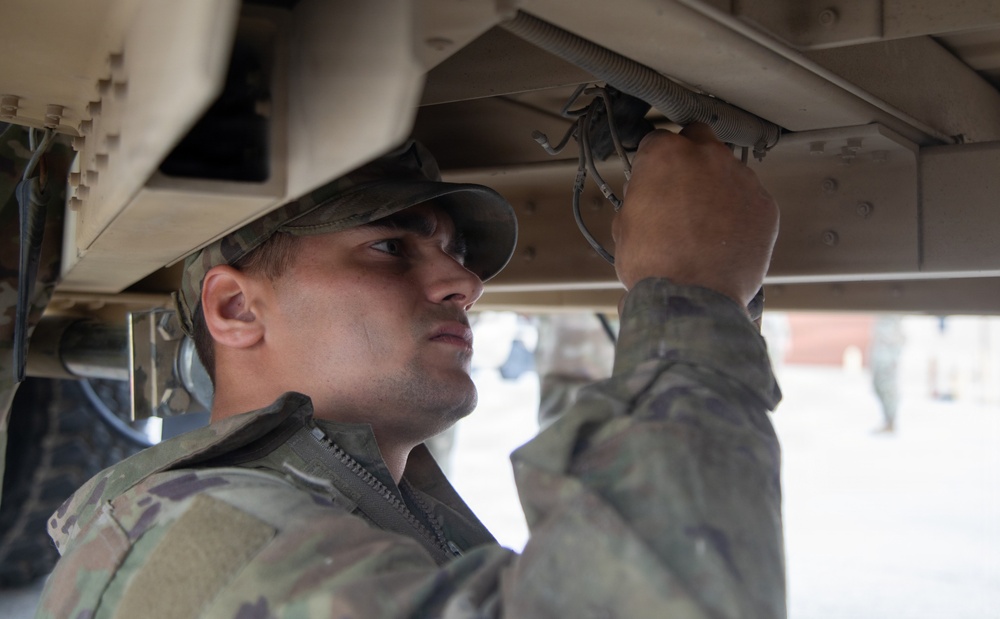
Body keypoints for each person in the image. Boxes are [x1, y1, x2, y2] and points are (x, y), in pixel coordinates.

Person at [36, 124, 784, 618]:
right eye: (391, 248)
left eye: (454, 253)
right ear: (236, 309)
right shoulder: (198, 540)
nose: (466, 283)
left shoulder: (348, 511)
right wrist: (690, 296)